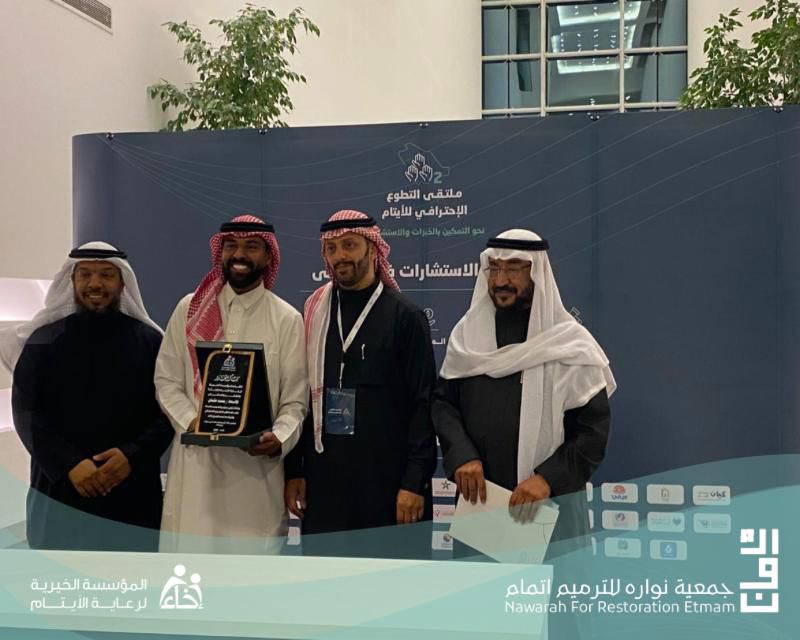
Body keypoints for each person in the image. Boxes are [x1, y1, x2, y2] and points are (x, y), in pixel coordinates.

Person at [432, 228, 615, 525]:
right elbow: (444, 405)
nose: (500, 280)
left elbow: (592, 432)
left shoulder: (570, 344)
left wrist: (548, 479)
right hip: (481, 504)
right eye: (494, 268)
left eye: (513, 269)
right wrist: (462, 455)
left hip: (550, 506)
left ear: (537, 272)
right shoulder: (468, 337)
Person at [283, 210, 437, 555]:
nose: (340, 256)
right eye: (332, 248)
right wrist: (294, 470)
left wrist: (414, 483)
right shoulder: (314, 312)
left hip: (388, 483)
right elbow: (298, 397)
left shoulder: (405, 317)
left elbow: (424, 405)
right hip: (326, 485)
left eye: (349, 245)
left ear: (372, 248)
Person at [4, 242, 171, 551]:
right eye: (85, 275)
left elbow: (167, 413)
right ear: (72, 280)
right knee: (54, 576)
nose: (95, 284)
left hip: (130, 491)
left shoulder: (150, 343)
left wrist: (131, 455)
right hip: (59, 490)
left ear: (122, 283)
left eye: (106, 274)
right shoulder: (42, 341)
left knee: (132, 575)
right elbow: (26, 413)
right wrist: (69, 464)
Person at [155, 214, 307, 552]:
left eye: (251, 247)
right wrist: (191, 421)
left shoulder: (286, 319)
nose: (239, 255)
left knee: (250, 574)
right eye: (231, 246)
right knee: (193, 568)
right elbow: (166, 380)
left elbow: (295, 403)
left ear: (268, 256)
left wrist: (279, 438)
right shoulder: (190, 309)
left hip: (254, 480)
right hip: (196, 475)